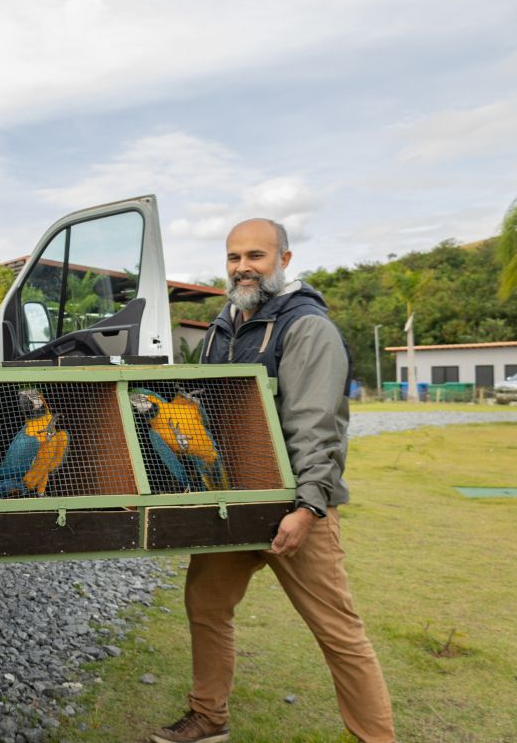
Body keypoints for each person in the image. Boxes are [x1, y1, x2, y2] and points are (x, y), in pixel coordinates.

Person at [151, 219, 394, 743]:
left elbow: (317, 424)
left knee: (338, 632)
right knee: (206, 606)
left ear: (284, 260)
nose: (243, 267)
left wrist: (308, 508)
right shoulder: (224, 326)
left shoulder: (307, 328)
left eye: (256, 256)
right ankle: (209, 718)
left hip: (294, 504)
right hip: (236, 499)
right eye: (234, 257)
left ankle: (377, 738)